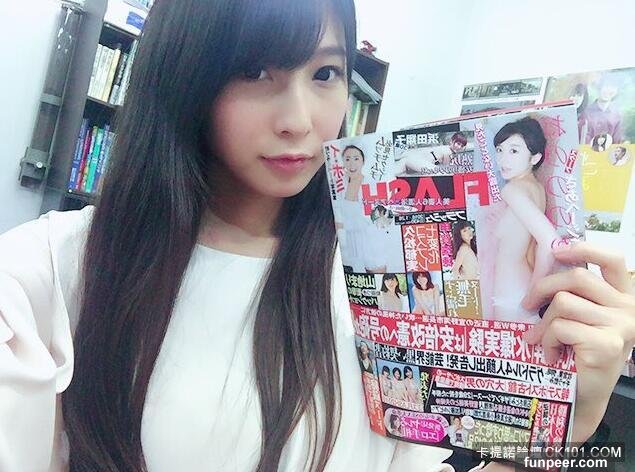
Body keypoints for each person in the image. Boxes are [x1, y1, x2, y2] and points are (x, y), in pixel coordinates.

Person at [0, 1, 634, 472]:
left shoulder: (385, 271)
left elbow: (428, 453)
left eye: (326, 74)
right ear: (183, 77)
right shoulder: (47, 271)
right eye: (255, 71)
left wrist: (562, 429)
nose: (300, 120)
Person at [491, 117, 560, 324]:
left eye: (514, 151)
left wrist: (534, 295)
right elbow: (533, 246)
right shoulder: (535, 188)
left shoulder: (513, 190)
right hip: (517, 288)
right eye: (500, 150)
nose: (503, 159)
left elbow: (549, 242)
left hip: (511, 292)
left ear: (535, 157)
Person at [394, 132, 468, 175]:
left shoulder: (445, 148)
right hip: (414, 161)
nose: (459, 147)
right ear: (451, 141)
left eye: (462, 146)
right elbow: (447, 169)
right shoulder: (448, 152)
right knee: (442, 173)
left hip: (409, 160)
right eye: (458, 144)